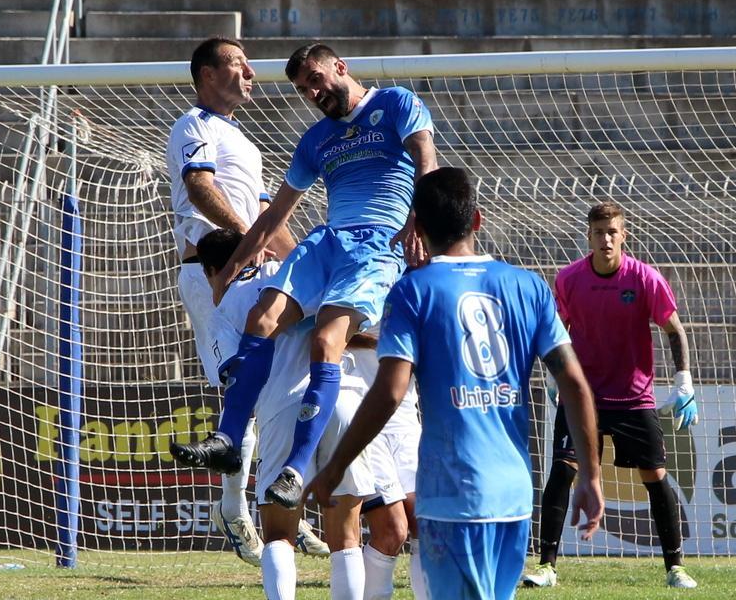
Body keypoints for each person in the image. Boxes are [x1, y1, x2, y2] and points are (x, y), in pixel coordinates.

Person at [306, 167, 606, 600]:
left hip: (453, 495)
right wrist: (590, 476)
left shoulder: (413, 291)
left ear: (418, 228)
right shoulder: (529, 287)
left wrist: (335, 467)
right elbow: (576, 386)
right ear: (478, 220)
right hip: (514, 498)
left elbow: (391, 391)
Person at [176, 42, 438, 513]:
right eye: (302, 89)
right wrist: (229, 270)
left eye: (315, 80)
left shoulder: (395, 102)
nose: (312, 93)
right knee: (262, 317)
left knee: (325, 342)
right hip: (327, 241)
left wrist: (421, 218)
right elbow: (274, 215)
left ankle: (297, 469)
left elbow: (426, 160)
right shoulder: (316, 139)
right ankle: (229, 438)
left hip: (378, 244)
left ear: (341, 66)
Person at [164, 36, 299, 564]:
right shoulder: (192, 126)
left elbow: (272, 223)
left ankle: (280, 508)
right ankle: (233, 509)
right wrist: (247, 241)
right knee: (241, 386)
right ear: (206, 75)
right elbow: (199, 187)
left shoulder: (245, 141)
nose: (250, 73)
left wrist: (306, 262)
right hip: (212, 274)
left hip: (253, 273)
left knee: (273, 389)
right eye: (238, 64)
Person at [523, 201, 699, 589]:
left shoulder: (645, 278)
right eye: (599, 232)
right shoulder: (569, 279)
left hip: (633, 398)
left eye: (612, 232)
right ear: (588, 236)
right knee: (562, 471)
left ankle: (676, 567)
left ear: (624, 235)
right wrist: (556, 375)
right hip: (582, 397)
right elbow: (556, 332)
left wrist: (683, 380)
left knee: (655, 476)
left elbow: (674, 330)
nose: (606, 239)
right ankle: (547, 566)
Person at [197, 229, 373, 599]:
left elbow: (236, 378)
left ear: (213, 269)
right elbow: (335, 328)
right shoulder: (294, 273)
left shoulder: (225, 308)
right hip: (340, 400)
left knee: (279, 535)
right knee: (346, 536)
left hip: (283, 410)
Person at [343, 332, 426, 600]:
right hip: (362, 417)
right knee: (392, 530)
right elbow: (325, 331)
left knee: (427, 527)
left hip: (406, 421)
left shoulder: (416, 291)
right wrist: (383, 342)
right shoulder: (347, 288)